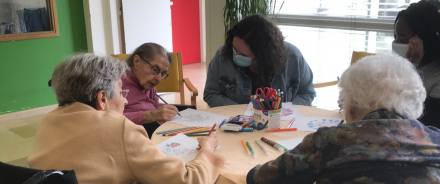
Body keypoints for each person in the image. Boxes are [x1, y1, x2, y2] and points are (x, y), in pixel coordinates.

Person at [28, 53, 224, 184]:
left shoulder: (46, 122)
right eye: (122, 93)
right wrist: (207, 150)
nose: (124, 100)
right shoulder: (117, 128)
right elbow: (188, 180)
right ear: (102, 99)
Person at [247, 55, 440, 183]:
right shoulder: (436, 139)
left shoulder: (331, 140)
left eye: (343, 102)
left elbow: (261, 179)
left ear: (353, 104)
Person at [204, 15, 315, 107]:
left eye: (243, 54)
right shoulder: (223, 55)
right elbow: (211, 93)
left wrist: (287, 112)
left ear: (262, 55)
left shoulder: (293, 57)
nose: (235, 55)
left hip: (280, 124)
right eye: (234, 49)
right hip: (237, 124)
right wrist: (240, 112)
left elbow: (306, 93)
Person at [393, 1, 440, 127]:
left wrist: (411, 68)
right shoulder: (397, 68)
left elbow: (422, 123)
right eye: (395, 36)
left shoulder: (436, 78)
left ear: (423, 39)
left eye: (402, 39)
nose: (396, 42)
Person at [122, 43, 179, 137]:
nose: (159, 78)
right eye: (155, 69)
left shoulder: (147, 85)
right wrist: (149, 116)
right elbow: (110, 120)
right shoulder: (117, 84)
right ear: (136, 61)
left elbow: (157, 106)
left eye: (163, 73)